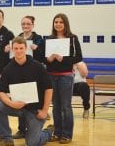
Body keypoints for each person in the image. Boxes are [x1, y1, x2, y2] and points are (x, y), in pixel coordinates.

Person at [0, 36, 54, 146]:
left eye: (21, 48)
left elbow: (49, 88)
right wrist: (11, 103)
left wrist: (45, 111)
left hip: (34, 110)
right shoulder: (8, 68)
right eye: (16, 48)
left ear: (26, 48)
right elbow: (1, 91)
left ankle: (47, 132)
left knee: (32, 143)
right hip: (17, 107)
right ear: (12, 49)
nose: (18, 51)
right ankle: (6, 138)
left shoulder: (37, 66)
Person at [45, 13, 83, 144]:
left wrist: (64, 59)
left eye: (61, 22)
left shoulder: (72, 38)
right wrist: (48, 60)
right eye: (56, 22)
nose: (58, 24)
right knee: (55, 106)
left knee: (65, 106)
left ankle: (67, 134)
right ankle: (57, 132)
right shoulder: (49, 39)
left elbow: (78, 57)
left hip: (65, 76)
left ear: (65, 24)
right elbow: (44, 58)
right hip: (51, 76)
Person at [13, 15, 45, 139]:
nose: (25, 26)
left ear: (32, 25)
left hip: (34, 73)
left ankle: (35, 126)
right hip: (20, 73)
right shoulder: (18, 37)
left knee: (33, 101)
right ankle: (21, 129)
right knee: (21, 100)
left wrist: (37, 49)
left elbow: (43, 57)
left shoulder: (38, 39)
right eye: (23, 24)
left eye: (28, 24)